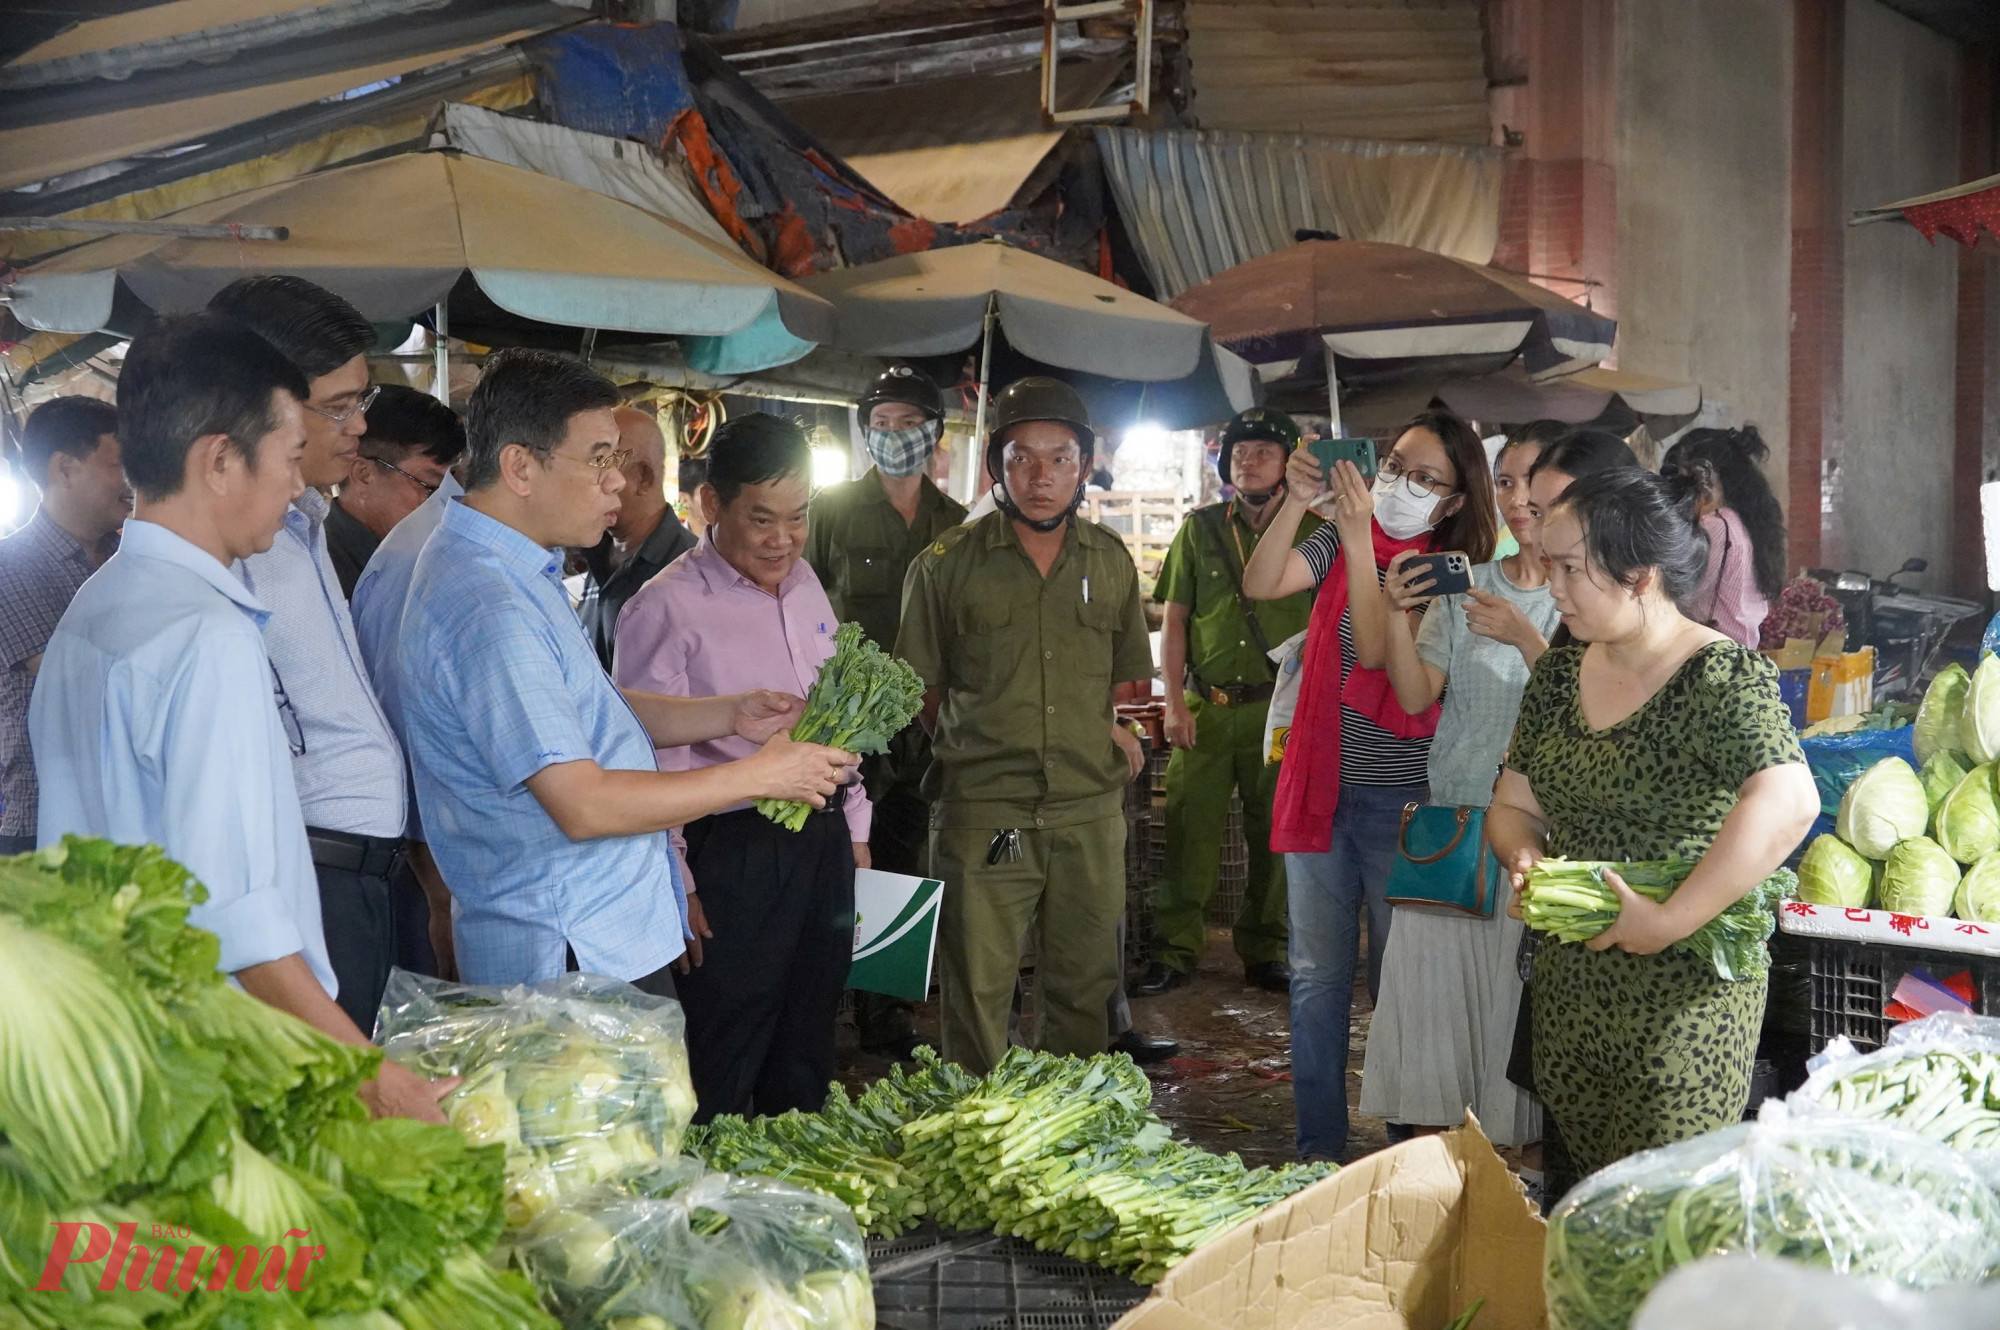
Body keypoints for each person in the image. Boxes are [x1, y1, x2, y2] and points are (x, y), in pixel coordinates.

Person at [29, 314, 449, 1121]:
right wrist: (374, 1077)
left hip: (112, 1050)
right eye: (289, 458)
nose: (296, 488)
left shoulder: (98, 604)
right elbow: (237, 921)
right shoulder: (206, 634)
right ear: (220, 459)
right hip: (212, 1061)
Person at [397, 348, 855, 993]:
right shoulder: (491, 606)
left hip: (593, 935)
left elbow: (587, 710)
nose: (618, 481)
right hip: (568, 949)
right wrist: (760, 775)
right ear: (520, 467)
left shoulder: (517, 571)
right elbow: (582, 804)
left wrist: (730, 714)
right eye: (598, 459)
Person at [1487, 467, 1817, 1195]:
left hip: (1683, 1000)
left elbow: (1789, 799)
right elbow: (1514, 804)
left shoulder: (1720, 677)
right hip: (1570, 993)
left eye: (1570, 569)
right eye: (1548, 565)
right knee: (1584, 1205)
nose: (1553, 587)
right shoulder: (1557, 677)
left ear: (1639, 575)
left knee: (1666, 1210)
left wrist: (1668, 920)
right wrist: (1523, 856)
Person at [1241, 408, 1498, 1162]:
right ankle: (1318, 1149)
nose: (1400, 485)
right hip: (1322, 788)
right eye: (1394, 466)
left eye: (1425, 478)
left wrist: (1357, 539)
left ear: (1454, 500)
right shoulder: (1338, 536)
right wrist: (1297, 499)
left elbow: (1386, 656)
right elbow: (1263, 581)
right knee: (1315, 979)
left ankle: (1400, 1147)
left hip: (1405, 804)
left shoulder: (1446, 569)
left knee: (1399, 983)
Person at [896, 376, 1154, 1076]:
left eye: (1060, 458)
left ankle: (1065, 1123)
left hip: (1087, 811)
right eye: (1023, 458)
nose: (1042, 477)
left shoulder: (1110, 560)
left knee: (1083, 986)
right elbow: (921, 689)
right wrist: (992, 737)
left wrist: (1101, 727)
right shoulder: (944, 565)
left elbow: (1120, 681)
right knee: (977, 989)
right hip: (985, 810)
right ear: (996, 466)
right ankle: (981, 1124)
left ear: (1084, 465)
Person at [615, 414, 867, 1118]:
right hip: (730, 851)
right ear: (711, 504)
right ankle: (712, 1180)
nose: (782, 539)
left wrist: (855, 829)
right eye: (762, 519)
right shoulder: (663, 607)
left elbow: (838, 712)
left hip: (820, 837)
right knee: (724, 1043)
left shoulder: (806, 585)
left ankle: (794, 1171)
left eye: (798, 518)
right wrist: (678, 879)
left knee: (808, 1034)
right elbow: (644, 756)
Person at [207, 275, 411, 1036]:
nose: (360, 426)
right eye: (338, 406)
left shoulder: (301, 525)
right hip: (306, 882)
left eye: (363, 399)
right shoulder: (232, 552)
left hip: (356, 877)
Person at [1352, 433, 1557, 1150]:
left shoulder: (1585, 599)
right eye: (1505, 482)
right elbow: (1414, 696)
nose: (1518, 500)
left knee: (1514, 1031)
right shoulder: (1467, 588)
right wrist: (1396, 611)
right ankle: (1438, 1190)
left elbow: (1591, 705)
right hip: (1450, 834)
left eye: (1532, 483)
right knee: (1432, 1026)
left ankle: (1510, 1195)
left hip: (1533, 846)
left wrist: (1527, 637)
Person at [803, 365, 966, 1059]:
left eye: (909, 423)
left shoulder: (957, 523)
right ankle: (814, 1004)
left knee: (902, 865)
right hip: (847, 726)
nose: (894, 435)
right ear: (864, 432)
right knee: (831, 863)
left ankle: (886, 1014)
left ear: (935, 432)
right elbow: (801, 603)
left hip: (924, 727)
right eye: (881, 423)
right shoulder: (831, 510)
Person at [1137, 407, 1317, 998]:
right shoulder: (1201, 528)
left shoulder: (1316, 532)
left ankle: (1266, 950)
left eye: (1264, 451)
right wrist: (1173, 704)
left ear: (1288, 462)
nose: (1249, 461)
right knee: (1187, 832)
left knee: (1275, 836)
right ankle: (1174, 950)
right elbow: (1175, 620)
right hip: (1206, 709)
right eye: (1240, 452)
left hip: (1280, 712)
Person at [350, 442, 466, 982]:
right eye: (596, 460)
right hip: (439, 851)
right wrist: (441, 890)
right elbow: (405, 717)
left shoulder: (458, 538)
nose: (609, 482)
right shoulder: (425, 551)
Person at [0, 397, 130, 855]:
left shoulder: (128, 557)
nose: (134, 479)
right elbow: (79, 677)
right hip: (41, 828)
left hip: (121, 816)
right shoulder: (10, 567)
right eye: (119, 463)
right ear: (64, 469)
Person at [578, 405, 698, 671]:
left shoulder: (691, 570)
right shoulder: (599, 552)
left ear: (643, 478)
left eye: (602, 466)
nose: (589, 483)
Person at [326, 385, 463, 599]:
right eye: (429, 486)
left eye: (449, 489)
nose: (444, 505)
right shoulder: (324, 571)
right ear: (364, 475)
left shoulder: (423, 555)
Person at [1659, 426, 1786, 650]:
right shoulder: (1747, 522)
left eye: (1684, 481)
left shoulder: (1716, 526)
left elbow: (1679, 592)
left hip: (1711, 655)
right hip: (1737, 653)